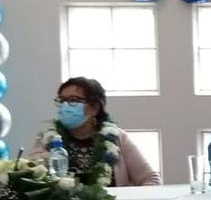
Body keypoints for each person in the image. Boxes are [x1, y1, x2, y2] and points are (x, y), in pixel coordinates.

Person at [29, 77, 160, 186]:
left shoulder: (118, 138)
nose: (65, 106)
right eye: (62, 100)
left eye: (73, 100)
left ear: (94, 108)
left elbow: (151, 180)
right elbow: (32, 180)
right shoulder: (47, 139)